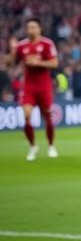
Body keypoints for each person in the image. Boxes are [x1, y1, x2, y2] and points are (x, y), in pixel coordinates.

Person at [7, 18, 59, 160]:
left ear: (40, 29)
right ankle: (32, 147)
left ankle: (51, 145)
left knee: (47, 117)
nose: (31, 30)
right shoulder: (21, 46)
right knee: (27, 116)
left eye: (34, 27)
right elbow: (9, 64)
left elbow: (54, 63)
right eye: (29, 27)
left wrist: (38, 62)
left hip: (44, 86)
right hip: (29, 86)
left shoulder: (47, 44)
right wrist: (12, 51)